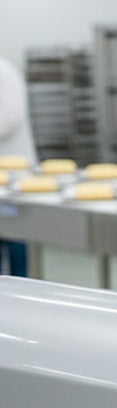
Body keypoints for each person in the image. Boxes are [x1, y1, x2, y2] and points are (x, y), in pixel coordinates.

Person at [0, 56, 36, 276]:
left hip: (14, 173)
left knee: (15, 233)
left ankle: (20, 283)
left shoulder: (4, 72)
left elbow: (10, 118)